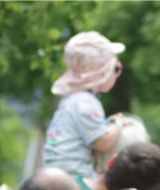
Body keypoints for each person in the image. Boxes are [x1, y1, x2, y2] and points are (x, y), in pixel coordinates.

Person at [43, 31, 127, 179]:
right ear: (102, 72)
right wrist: (117, 124)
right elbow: (103, 141)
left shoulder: (72, 100)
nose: (116, 74)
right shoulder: (87, 102)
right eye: (116, 68)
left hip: (53, 174)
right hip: (73, 178)